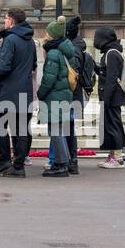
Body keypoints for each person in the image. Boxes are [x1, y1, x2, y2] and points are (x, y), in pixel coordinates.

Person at [0, 8, 36, 177]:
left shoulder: (10, 40)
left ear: (11, 20)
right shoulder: (30, 41)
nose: (4, 21)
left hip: (8, 90)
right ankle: (18, 165)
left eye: (6, 18)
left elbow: (3, 66)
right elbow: (33, 65)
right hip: (25, 89)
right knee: (22, 129)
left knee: (2, 127)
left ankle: (4, 162)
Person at [38, 19, 76, 178]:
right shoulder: (65, 50)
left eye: (47, 32)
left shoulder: (54, 52)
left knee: (56, 131)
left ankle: (60, 164)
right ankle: (63, 162)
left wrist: (40, 93)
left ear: (53, 35)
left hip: (55, 96)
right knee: (59, 130)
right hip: (64, 95)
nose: (45, 35)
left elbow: (49, 78)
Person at [64, 15, 96, 174]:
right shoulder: (77, 46)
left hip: (71, 94)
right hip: (74, 94)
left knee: (67, 128)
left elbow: (72, 73)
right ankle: (71, 161)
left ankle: (71, 161)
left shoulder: (73, 48)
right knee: (69, 128)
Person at [94, 26, 125, 169]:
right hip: (109, 97)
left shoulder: (112, 54)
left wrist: (106, 98)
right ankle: (112, 155)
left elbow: (112, 78)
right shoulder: (109, 53)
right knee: (109, 126)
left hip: (112, 98)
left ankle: (118, 158)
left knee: (114, 126)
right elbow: (105, 73)